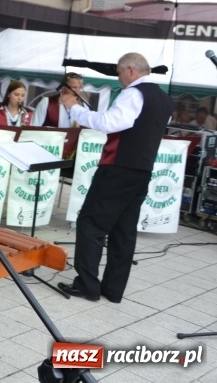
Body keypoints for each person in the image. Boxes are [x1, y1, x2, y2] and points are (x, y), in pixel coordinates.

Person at [57, 53, 174, 303]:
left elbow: (109, 123)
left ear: (131, 70)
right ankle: (113, 289)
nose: (119, 79)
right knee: (123, 231)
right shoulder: (164, 99)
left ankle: (87, 284)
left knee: (91, 224)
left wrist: (73, 107)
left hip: (118, 167)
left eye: (120, 73)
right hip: (142, 170)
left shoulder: (134, 93)